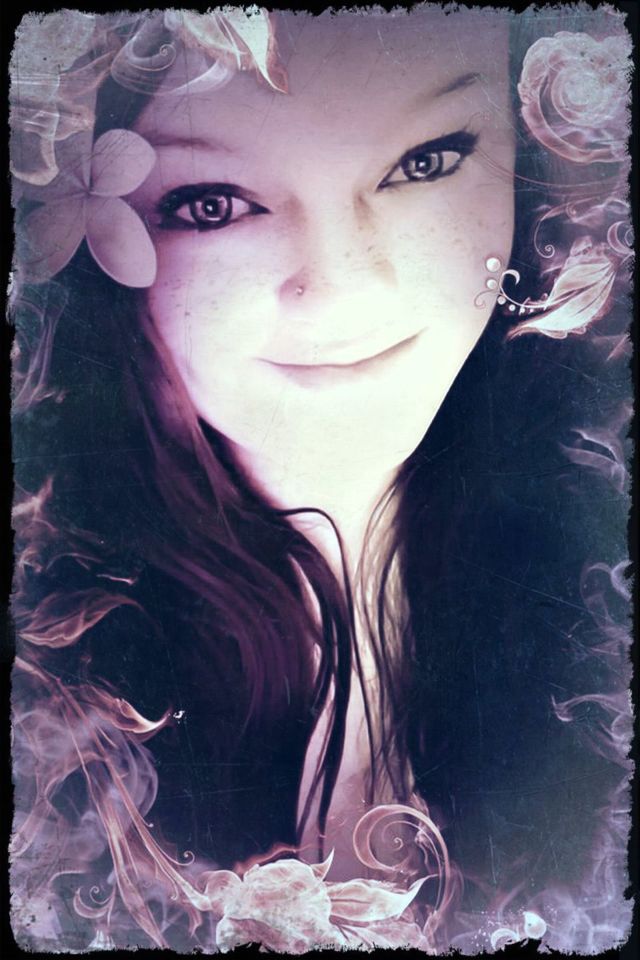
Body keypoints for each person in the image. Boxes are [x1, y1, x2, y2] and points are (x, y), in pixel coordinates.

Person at [9, 5, 632, 952]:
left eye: (425, 161)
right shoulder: (44, 705)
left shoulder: (599, 592)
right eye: (213, 203)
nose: (342, 284)